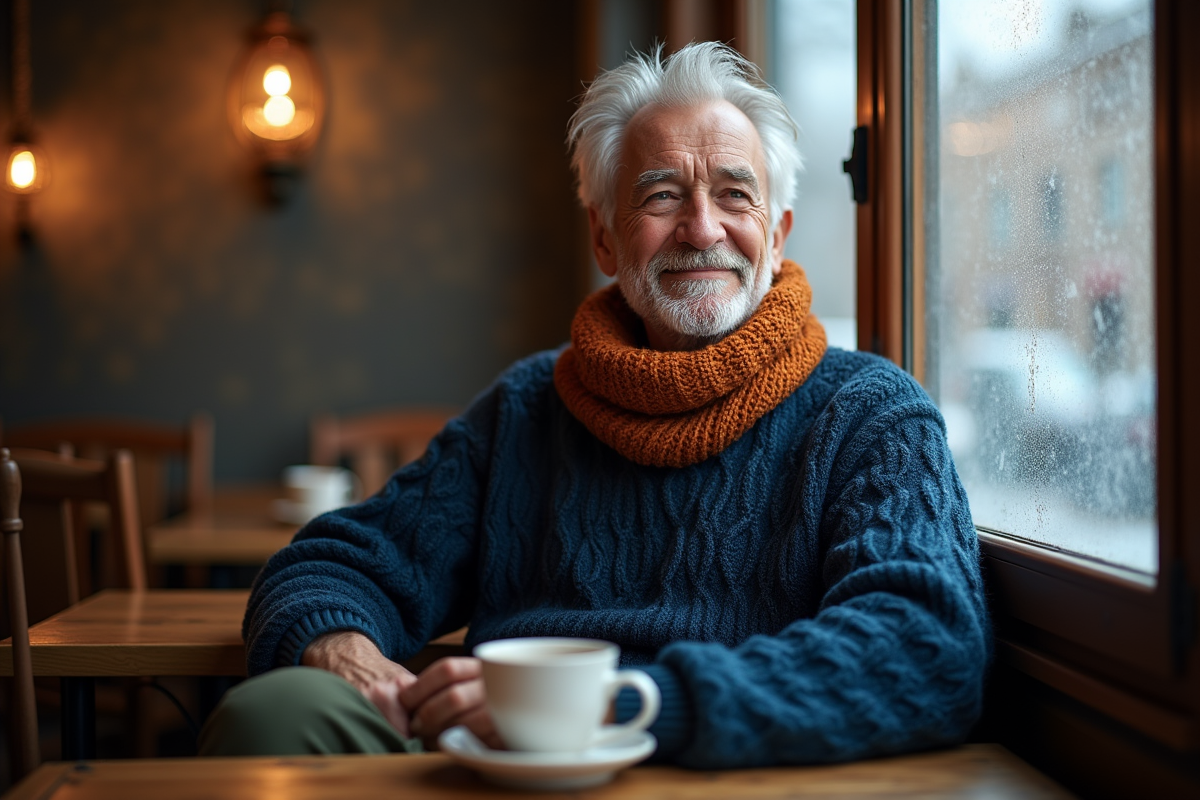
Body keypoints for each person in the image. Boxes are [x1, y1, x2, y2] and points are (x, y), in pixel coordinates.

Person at [200, 42, 990, 767]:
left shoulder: (871, 416)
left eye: (734, 194)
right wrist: (346, 654)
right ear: (605, 239)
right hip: (493, 775)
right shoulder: (524, 408)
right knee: (273, 714)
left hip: (723, 775)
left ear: (776, 233)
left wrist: (624, 707)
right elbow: (330, 564)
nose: (701, 227)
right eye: (661, 195)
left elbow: (927, 645)